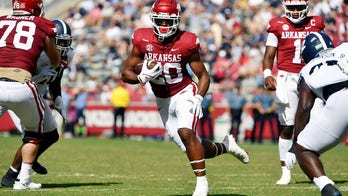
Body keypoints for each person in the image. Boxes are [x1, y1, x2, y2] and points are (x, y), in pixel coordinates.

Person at [121, 0, 249, 195]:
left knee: (186, 133)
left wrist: (198, 97)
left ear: (177, 21)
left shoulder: (187, 41)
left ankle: (202, 184)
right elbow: (125, 73)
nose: (164, 26)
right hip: (162, 99)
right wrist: (140, 76)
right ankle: (226, 146)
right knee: (191, 146)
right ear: (153, 20)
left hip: (184, 91)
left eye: (168, 22)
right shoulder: (142, 38)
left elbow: (204, 75)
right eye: (160, 21)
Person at [1, 19, 72, 188]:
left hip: (35, 96)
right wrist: (38, 77)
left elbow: (56, 78)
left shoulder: (68, 54)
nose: (63, 46)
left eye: (66, 41)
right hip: (21, 93)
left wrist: (58, 100)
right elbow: (18, 76)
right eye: (59, 41)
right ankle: (17, 172)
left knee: (51, 135)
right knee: (34, 136)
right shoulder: (37, 51)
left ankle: (18, 171)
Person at [262, 0, 325, 185]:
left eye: (299, 8)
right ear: (285, 8)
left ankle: (314, 168)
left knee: (315, 125)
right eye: (292, 8)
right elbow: (269, 55)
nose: (296, 12)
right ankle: (285, 172)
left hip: (310, 75)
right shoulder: (277, 25)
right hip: (286, 77)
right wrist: (267, 74)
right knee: (287, 126)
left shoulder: (316, 23)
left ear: (306, 7)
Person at [285, 32, 346, 196]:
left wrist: (294, 144)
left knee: (304, 149)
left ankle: (328, 189)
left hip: (342, 99)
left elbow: (304, 107)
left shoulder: (308, 69)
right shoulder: (345, 47)